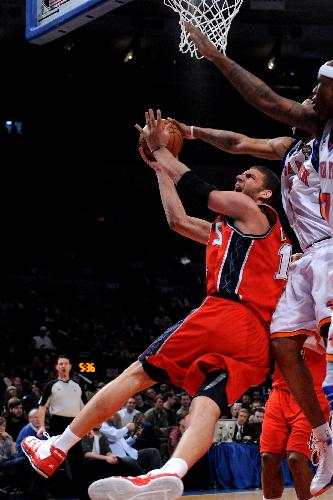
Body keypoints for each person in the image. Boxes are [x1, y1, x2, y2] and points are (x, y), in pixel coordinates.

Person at [22, 108, 289, 500]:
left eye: (248, 176)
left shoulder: (256, 211)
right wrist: (158, 169)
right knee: (208, 402)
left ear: (265, 193)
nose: (240, 178)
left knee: (136, 374)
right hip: (254, 341)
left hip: (227, 312)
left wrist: (162, 150)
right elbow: (179, 221)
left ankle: (55, 448)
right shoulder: (237, 233)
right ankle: (171, 472)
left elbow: (202, 192)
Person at [171, 27, 333, 493]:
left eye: (320, 92)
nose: (312, 98)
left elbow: (267, 100)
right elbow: (239, 141)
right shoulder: (292, 148)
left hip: (330, 248)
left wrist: (216, 57)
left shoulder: (327, 127)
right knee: (283, 344)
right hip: (308, 259)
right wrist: (193, 131)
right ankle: (324, 439)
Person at [261, 337, 329, 500]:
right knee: (268, 458)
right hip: (280, 391)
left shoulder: (326, 314)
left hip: (313, 395)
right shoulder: (280, 313)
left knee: (296, 459)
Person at [36, 354, 87, 495]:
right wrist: (41, 426)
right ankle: (53, 492)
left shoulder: (78, 386)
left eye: (66, 363)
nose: (63, 366)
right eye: (61, 364)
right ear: (57, 367)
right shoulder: (50, 386)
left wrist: (87, 426)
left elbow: (84, 408)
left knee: (77, 458)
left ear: (70, 366)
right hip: (57, 423)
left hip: (76, 423)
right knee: (55, 458)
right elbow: (42, 407)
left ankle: (80, 492)